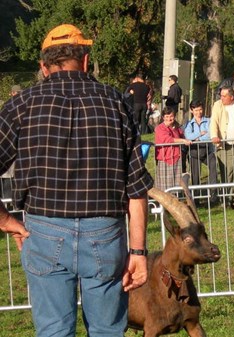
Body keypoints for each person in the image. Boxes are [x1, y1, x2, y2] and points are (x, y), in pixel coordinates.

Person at [0, 24, 153, 336]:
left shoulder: (21, 105)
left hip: (43, 231)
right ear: (85, 61)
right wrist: (138, 252)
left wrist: (5, 220)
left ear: (43, 67)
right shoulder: (116, 103)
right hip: (105, 233)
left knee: (54, 331)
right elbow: (136, 186)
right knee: (108, 331)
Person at [184, 101, 218, 203]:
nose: (199, 112)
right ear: (191, 111)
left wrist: (197, 138)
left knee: (213, 168)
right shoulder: (189, 124)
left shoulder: (209, 121)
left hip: (207, 150)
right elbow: (188, 136)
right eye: (196, 110)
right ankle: (196, 198)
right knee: (195, 175)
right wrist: (200, 134)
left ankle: (214, 194)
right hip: (194, 152)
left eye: (200, 109)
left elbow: (210, 134)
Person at [155, 106, 192, 191]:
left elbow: (183, 135)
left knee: (176, 184)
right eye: (167, 116)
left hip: (176, 158)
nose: (169, 118)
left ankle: (177, 200)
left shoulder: (177, 127)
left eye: (171, 116)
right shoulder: (159, 128)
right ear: (163, 117)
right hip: (165, 159)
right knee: (165, 186)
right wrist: (183, 140)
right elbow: (168, 140)